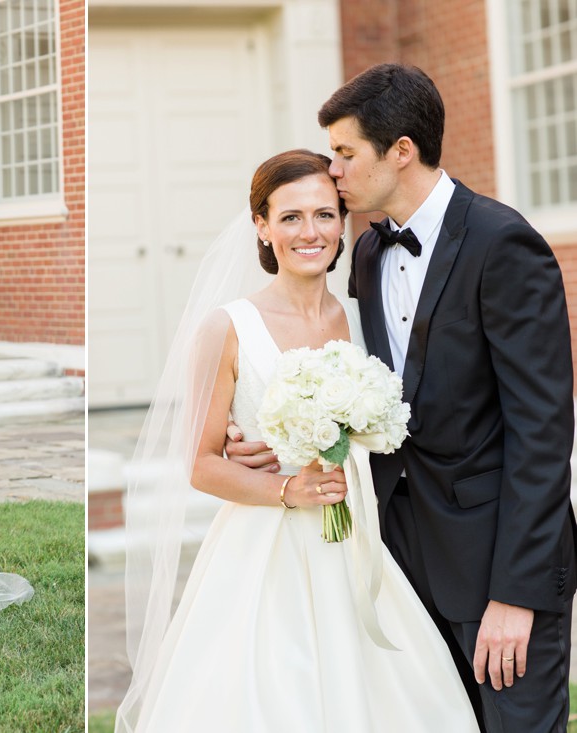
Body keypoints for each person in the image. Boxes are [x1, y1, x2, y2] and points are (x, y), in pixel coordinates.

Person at [230, 64, 577, 732]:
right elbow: (365, 394)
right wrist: (270, 440)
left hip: (494, 565)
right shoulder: (364, 254)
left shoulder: (503, 245)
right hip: (396, 558)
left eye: (346, 152)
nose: (333, 170)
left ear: (402, 152)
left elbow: (542, 435)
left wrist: (516, 594)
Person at [115, 150, 478, 731]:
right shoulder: (227, 328)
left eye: (324, 214)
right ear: (261, 226)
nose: (310, 232)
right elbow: (202, 464)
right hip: (265, 551)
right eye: (289, 217)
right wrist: (288, 486)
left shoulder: (369, 318)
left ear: (342, 221)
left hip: (361, 540)